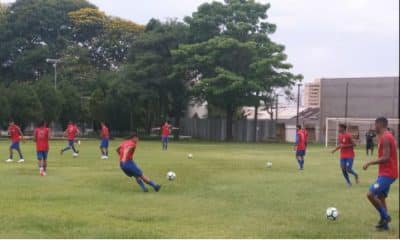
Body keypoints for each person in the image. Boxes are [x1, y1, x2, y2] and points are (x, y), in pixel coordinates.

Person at [363, 117, 398, 231]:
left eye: (375, 124)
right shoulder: (384, 136)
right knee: (381, 197)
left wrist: (369, 162)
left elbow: (386, 157)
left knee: (370, 194)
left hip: (388, 174)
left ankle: (386, 217)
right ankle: (385, 225)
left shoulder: (386, 137)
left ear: (379, 124)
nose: (374, 127)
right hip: (386, 172)